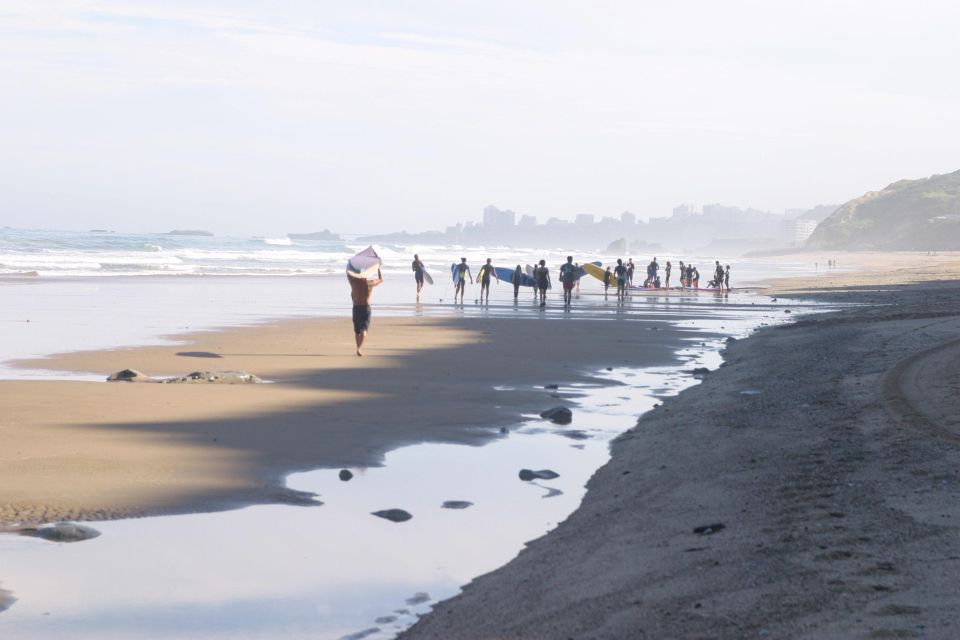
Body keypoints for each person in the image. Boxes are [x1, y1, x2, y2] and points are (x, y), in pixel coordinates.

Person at [348, 267, 383, 357]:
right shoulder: (369, 284)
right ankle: (358, 348)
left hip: (356, 308)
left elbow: (347, 274)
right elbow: (381, 279)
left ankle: (358, 348)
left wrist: (349, 266)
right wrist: (378, 268)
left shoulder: (353, 283)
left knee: (357, 331)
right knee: (363, 331)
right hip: (365, 308)